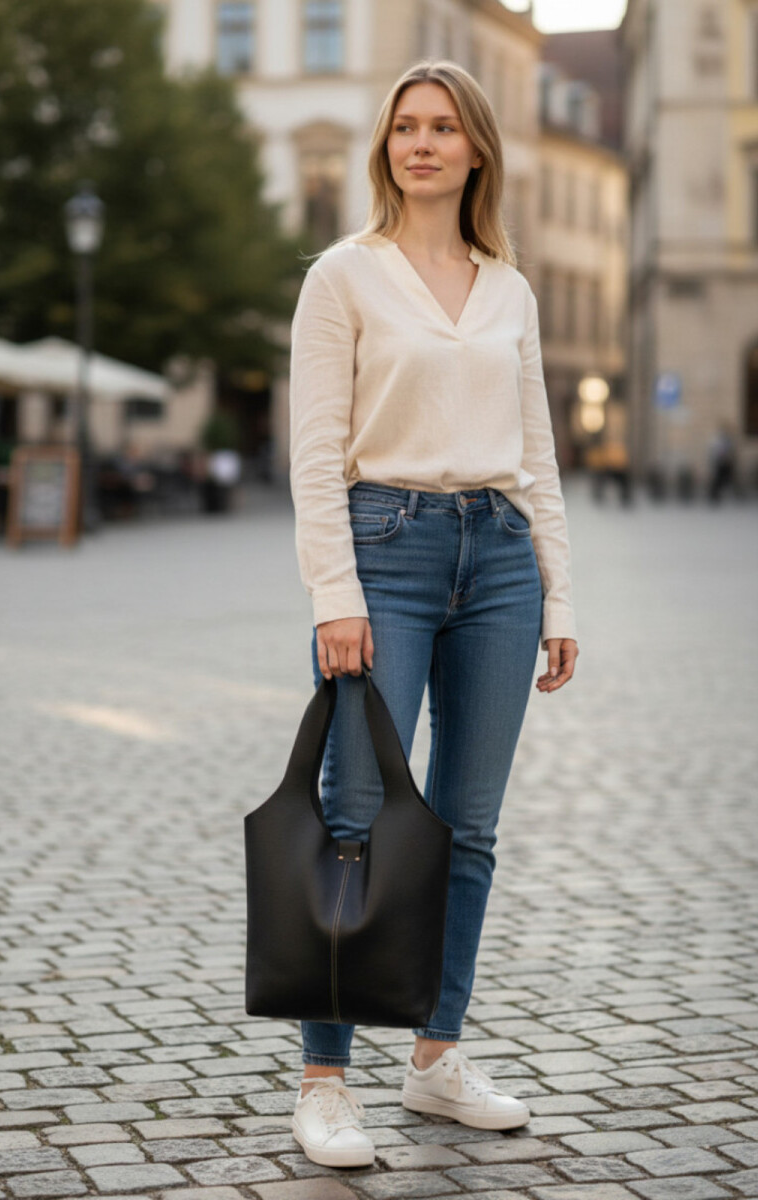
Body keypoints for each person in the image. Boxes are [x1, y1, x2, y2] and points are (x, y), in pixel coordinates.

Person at [287, 60, 579, 1169]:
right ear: (386, 147)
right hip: (385, 548)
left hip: (498, 558)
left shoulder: (508, 286)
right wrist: (334, 593)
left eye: (441, 126)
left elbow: (539, 453)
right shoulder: (341, 276)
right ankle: (323, 1081)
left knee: (465, 826)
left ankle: (435, 1059)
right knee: (353, 818)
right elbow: (315, 452)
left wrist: (558, 592)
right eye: (403, 126)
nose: (419, 143)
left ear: (474, 150)